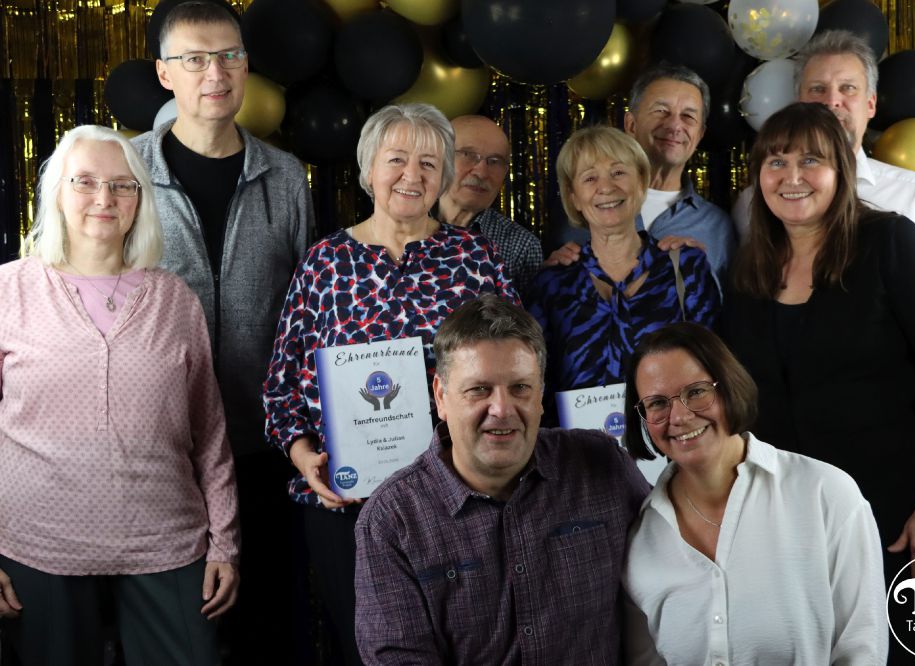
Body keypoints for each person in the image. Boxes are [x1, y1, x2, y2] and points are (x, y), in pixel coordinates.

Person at [721, 102, 915, 663]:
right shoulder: (751, 271)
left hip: (911, 518)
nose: (792, 176)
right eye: (776, 161)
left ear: (842, 171)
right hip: (815, 530)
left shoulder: (891, 243)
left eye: (811, 161)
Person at [263, 103, 519, 665]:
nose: (412, 175)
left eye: (428, 163)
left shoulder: (472, 257)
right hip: (346, 503)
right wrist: (304, 457)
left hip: (456, 496)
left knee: (465, 647)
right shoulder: (325, 263)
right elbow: (281, 388)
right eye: (396, 159)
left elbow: (515, 366)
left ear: (444, 175)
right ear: (369, 169)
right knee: (370, 652)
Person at [0, 125, 239, 665]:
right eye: (84, 181)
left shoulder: (175, 300)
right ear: (56, 192)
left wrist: (225, 543)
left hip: (167, 540)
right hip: (38, 545)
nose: (104, 198)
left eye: (122, 185)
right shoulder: (8, 291)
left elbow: (210, 434)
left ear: (140, 199)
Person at [132, 2, 313, 662]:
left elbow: (306, 312)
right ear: (165, 74)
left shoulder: (284, 175)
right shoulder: (125, 172)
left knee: (270, 628)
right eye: (195, 59)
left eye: (230, 56)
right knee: (180, 634)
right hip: (159, 451)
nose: (216, 73)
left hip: (267, 444)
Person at [355, 296, 651, 664]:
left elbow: (675, 567)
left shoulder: (602, 465)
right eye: (479, 389)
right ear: (441, 397)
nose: (501, 409)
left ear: (540, 395)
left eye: (520, 388)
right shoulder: (391, 521)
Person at [621, 323, 886, 664]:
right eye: (657, 403)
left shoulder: (826, 494)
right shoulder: (640, 540)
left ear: (729, 385)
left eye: (696, 391)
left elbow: (863, 649)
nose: (680, 416)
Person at [731, 29, 915, 327]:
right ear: (799, 103)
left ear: (870, 104)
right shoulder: (758, 200)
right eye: (817, 89)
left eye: (847, 88)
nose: (832, 101)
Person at [528, 125, 720, 399]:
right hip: (576, 429)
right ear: (573, 197)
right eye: (590, 178)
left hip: (672, 425)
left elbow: (713, 368)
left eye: (618, 172)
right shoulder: (551, 284)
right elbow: (536, 384)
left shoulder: (687, 268)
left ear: (641, 182)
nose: (606, 187)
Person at [546, 63, 737, 283]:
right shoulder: (584, 208)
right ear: (631, 124)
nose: (675, 125)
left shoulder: (718, 228)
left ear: (700, 134)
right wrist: (549, 276)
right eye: (661, 111)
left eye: (688, 116)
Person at [438, 114, 542, 295]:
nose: (481, 172)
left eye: (495, 161)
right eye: (468, 155)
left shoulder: (522, 247)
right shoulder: (400, 226)